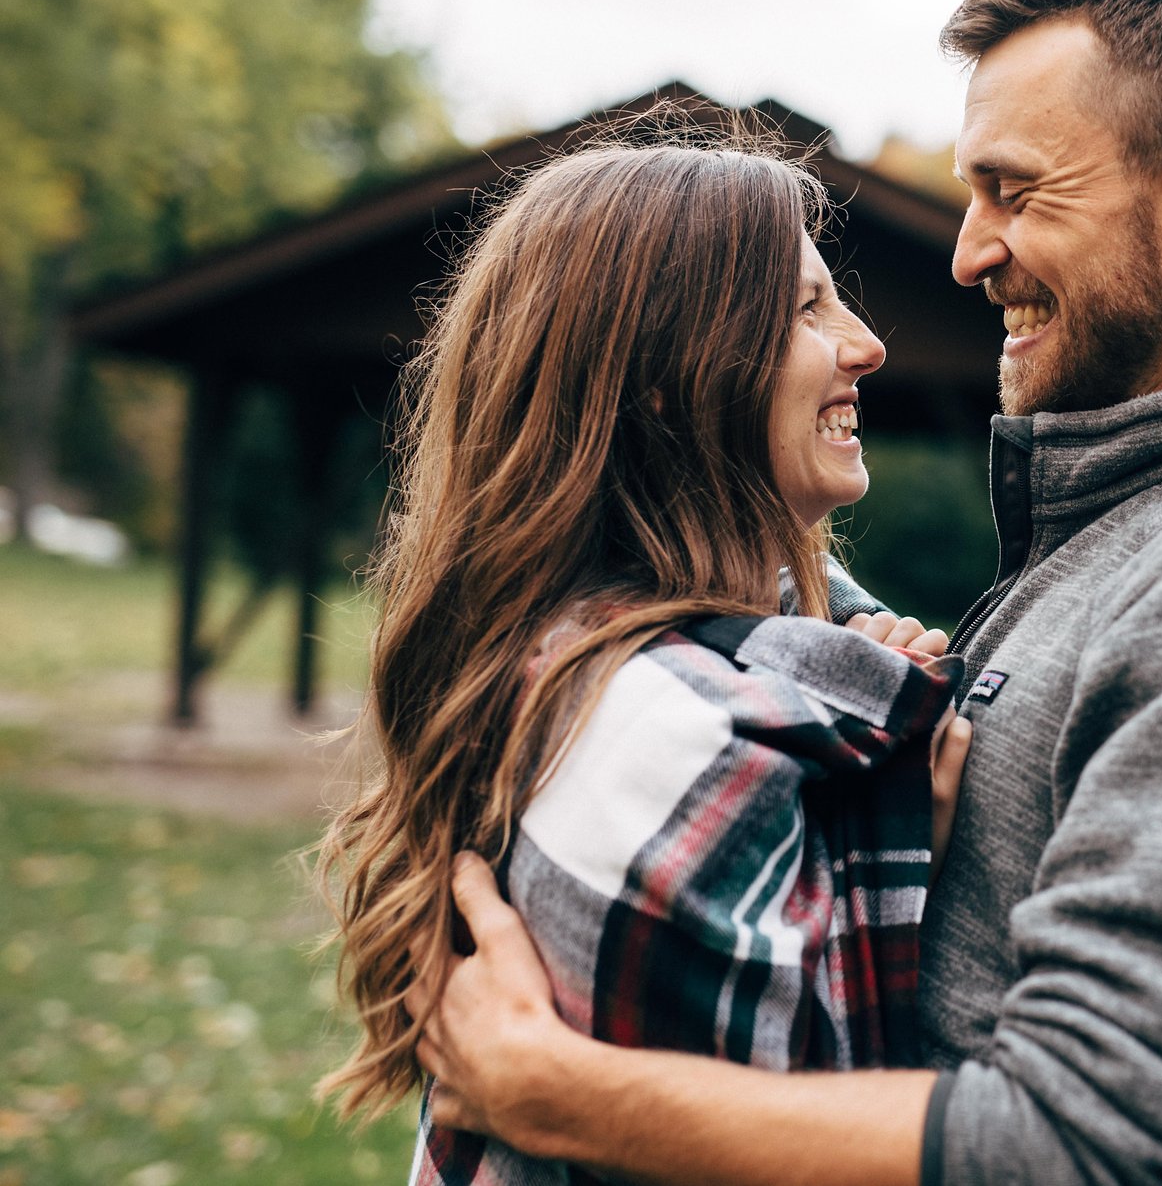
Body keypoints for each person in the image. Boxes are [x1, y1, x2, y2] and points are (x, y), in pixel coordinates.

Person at [404, 0, 1162, 1185]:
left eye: (1015, 190)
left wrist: (557, 1094)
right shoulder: (1128, 530)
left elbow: (1100, 1145)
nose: (966, 252)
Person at [312, 142, 973, 1185]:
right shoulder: (679, 729)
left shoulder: (632, 657)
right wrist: (898, 831)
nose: (866, 345)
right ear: (668, 385)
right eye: (805, 310)